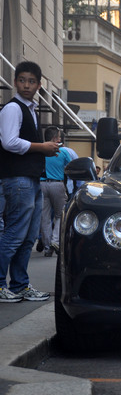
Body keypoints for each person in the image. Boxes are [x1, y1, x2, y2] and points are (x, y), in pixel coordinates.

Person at [0, 61, 59, 303]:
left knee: (27, 238)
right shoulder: (13, 109)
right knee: (14, 235)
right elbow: (9, 142)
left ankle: (20, 285)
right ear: (15, 82)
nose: (26, 85)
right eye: (22, 80)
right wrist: (42, 147)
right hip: (18, 179)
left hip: (31, 180)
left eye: (31, 81)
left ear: (39, 84)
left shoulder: (31, 109)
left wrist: (44, 150)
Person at [40, 127, 73, 257]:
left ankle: (47, 246)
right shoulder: (63, 151)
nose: (60, 139)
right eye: (58, 137)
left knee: (45, 216)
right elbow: (71, 167)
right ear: (55, 138)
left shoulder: (41, 150)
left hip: (42, 184)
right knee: (60, 215)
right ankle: (55, 241)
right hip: (57, 185)